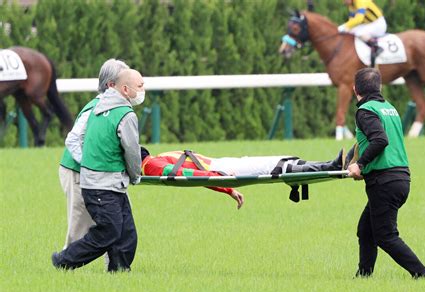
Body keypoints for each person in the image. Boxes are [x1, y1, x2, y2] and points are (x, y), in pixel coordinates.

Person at [52, 68, 145, 272]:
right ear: (124, 88)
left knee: (125, 231)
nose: (143, 90)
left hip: (107, 182)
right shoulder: (125, 115)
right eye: (140, 86)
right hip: (101, 182)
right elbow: (130, 151)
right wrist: (135, 175)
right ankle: (64, 261)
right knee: (108, 231)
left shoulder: (97, 107)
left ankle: (119, 270)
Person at [347, 68, 425, 279]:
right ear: (380, 87)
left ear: (355, 88)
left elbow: (380, 140)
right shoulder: (389, 108)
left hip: (384, 181)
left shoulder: (365, 110)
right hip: (400, 178)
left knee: (385, 236)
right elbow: (371, 141)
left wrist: (360, 165)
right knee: (365, 230)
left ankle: (423, 274)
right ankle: (364, 276)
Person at [58, 58, 129, 250]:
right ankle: (65, 266)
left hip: (100, 175)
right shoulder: (95, 109)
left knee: (115, 222)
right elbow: (72, 141)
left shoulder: (115, 109)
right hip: (77, 172)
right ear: (111, 85)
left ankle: (116, 268)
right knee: (79, 229)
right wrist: (93, 166)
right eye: (126, 81)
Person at [140, 147, 346, 209]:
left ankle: (330, 165)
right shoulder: (150, 164)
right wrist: (219, 177)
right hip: (222, 168)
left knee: (276, 162)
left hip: (221, 166)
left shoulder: (152, 162)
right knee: (273, 165)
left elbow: (192, 176)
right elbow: (185, 174)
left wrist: (227, 188)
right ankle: (331, 166)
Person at [337, 0, 386, 66]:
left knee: (359, 32)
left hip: (378, 24)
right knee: (350, 31)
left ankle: (376, 47)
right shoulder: (351, 5)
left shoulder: (360, 1)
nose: (343, 1)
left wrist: (345, 26)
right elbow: (352, 20)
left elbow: (359, 18)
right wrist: (347, 28)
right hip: (369, 24)